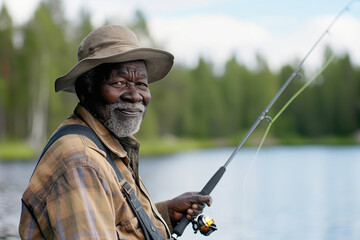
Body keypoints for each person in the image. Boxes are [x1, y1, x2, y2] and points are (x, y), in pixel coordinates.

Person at [19, 25, 211, 239]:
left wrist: (166, 213)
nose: (135, 95)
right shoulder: (81, 162)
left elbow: (113, 222)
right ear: (85, 90)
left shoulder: (102, 146)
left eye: (141, 84)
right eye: (119, 82)